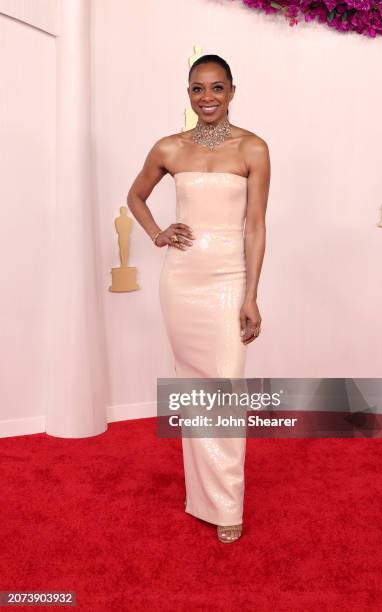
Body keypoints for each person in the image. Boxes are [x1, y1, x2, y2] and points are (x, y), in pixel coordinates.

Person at [127, 54, 270, 543]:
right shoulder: (170, 147)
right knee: (195, 388)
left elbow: (255, 225)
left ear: (232, 90)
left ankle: (227, 503)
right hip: (183, 279)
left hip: (229, 274)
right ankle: (203, 498)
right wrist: (157, 233)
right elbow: (136, 196)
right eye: (197, 89)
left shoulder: (253, 148)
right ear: (187, 93)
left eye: (216, 88)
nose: (207, 97)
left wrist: (251, 294)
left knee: (227, 386)